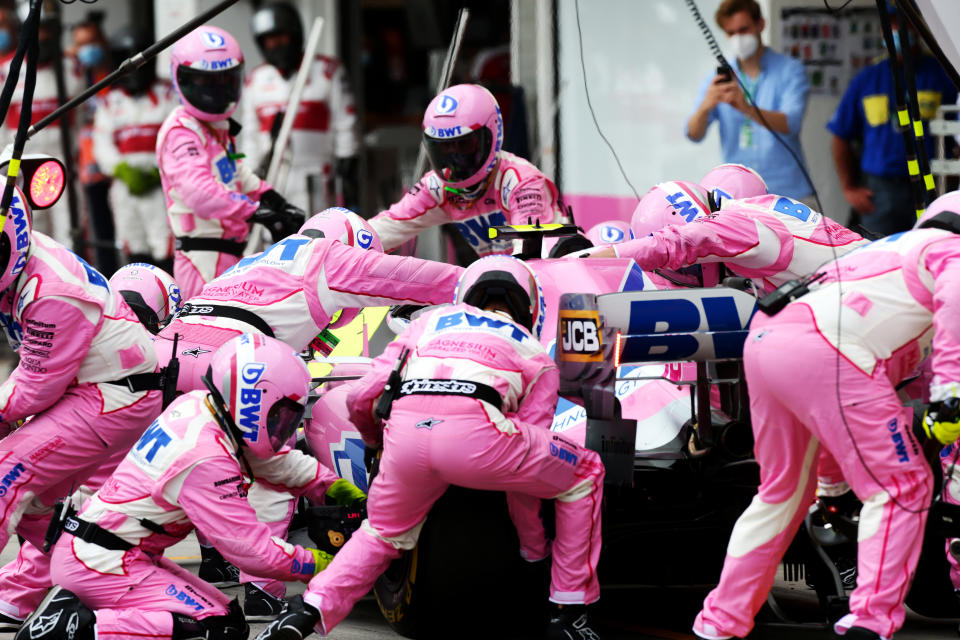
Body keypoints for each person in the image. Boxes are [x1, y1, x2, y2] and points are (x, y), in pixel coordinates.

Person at [255, 255, 606, 640]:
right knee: (586, 471)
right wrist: (532, 550)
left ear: (462, 295)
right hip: (480, 439)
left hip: (406, 437)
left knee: (380, 534)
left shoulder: (425, 325)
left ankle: (306, 613)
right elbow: (523, 480)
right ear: (532, 305)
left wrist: (377, 445)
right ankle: (569, 611)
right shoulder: (536, 355)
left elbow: (360, 398)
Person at [152, 207, 461, 615]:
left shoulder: (256, 261)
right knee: (273, 463)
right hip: (229, 358)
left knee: (161, 477)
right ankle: (264, 591)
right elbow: (416, 279)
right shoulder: (328, 255)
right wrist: (484, 285)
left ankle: (131, 571)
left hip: (162, 360)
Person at [692, 190, 960, 640]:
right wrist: (949, 397)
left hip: (767, 340)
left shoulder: (889, 247)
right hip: (828, 351)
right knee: (903, 486)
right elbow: (954, 318)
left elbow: (899, 359)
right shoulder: (950, 252)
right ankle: (868, 624)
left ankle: (719, 622)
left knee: (780, 495)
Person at [14, 334, 348, 640]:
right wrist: (321, 564)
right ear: (252, 400)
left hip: (103, 550)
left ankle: (86, 620)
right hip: (103, 562)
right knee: (219, 629)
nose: (283, 428)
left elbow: (266, 461)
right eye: (280, 415)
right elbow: (253, 552)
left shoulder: (200, 406)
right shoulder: (206, 459)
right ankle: (72, 630)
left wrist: (330, 487)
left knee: (230, 618)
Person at [0, 262, 180, 632]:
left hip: (92, 521)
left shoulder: (84, 336)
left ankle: (18, 592)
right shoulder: (155, 365)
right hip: (117, 517)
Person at [0, 175, 162, 554]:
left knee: (6, 472)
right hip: (92, 390)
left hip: (113, 395)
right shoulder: (23, 266)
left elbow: (36, 386)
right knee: (35, 507)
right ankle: (96, 571)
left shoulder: (52, 292)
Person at [158, 25, 304, 300]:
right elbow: (199, 192)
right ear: (183, 78)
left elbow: (234, 171)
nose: (216, 91)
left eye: (225, 81)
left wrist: (271, 198)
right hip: (202, 259)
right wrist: (255, 211)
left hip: (230, 254)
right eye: (205, 82)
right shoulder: (182, 131)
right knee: (207, 339)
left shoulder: (216, 127)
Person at [370, 83, 564, 257]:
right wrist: (345, 240)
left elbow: (529, 251)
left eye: (464, 145)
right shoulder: (438, 185)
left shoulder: (520, 181)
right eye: (445, 147)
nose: (455, 158)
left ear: (490, 136)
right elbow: (388, 227)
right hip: (506, 284)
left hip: (557, 278)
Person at [588, 180, 867, 293]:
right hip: (870, 276)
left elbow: (675, 243)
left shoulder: (737, 225)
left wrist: (591, 259)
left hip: (865, 293)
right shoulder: (754, 206)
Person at [827, 9, 958, 237]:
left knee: (928, 250)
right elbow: (840, 136)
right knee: (877, 257)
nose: (899, 31)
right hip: (881, 192)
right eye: (892, 25)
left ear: (917, 29)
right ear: (883, 30)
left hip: (932, 186)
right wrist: (849, 189)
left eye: (905, 24)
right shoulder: (867, 79)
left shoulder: (942, 74)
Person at [685, 0, 812, 203]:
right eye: (731, 32)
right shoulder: (717, 78)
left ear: (760, 24)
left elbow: (792, 123)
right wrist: (706, 106)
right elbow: (693, 134)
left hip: (789, 193)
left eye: (743, 30)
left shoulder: (790, 70)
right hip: (738, 196)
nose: (738, 38)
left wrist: (746, 108)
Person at [243, 1, 360, 212]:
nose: (276, 45)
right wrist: (250, 176)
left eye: (281, 37)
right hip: (272, 178)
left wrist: (347, 158)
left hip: (317, 176)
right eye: (269, 40)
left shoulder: (326, 71)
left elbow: (345, 122)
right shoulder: (256, 80)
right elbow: (250, 135)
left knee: (316, 236)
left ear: (294, 34)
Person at [95, 27, 178, 269]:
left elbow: (177, 138)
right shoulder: (110, 102)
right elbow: (102, 146)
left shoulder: (168, 95)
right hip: (125, 187)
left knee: (166, 247)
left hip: (161, 185)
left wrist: (158, 172)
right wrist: (122, 170)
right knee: (133, 247)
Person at [0, 10, 81, 245]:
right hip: (21, 158)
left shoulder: (70, 66)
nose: (43, 36)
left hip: (63, 159)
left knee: (68, 223)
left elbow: (83, 115)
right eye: (38, 29)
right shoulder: (7, 69)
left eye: (48, 30)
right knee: (30, 223)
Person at [71, 14, 120, 275]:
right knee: (97, 229)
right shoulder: (77, 76)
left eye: (90, 42)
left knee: (124, 229)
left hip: (117, 162)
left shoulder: (118, 74)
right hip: (89, 165)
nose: (85, 50)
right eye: (80, 45)